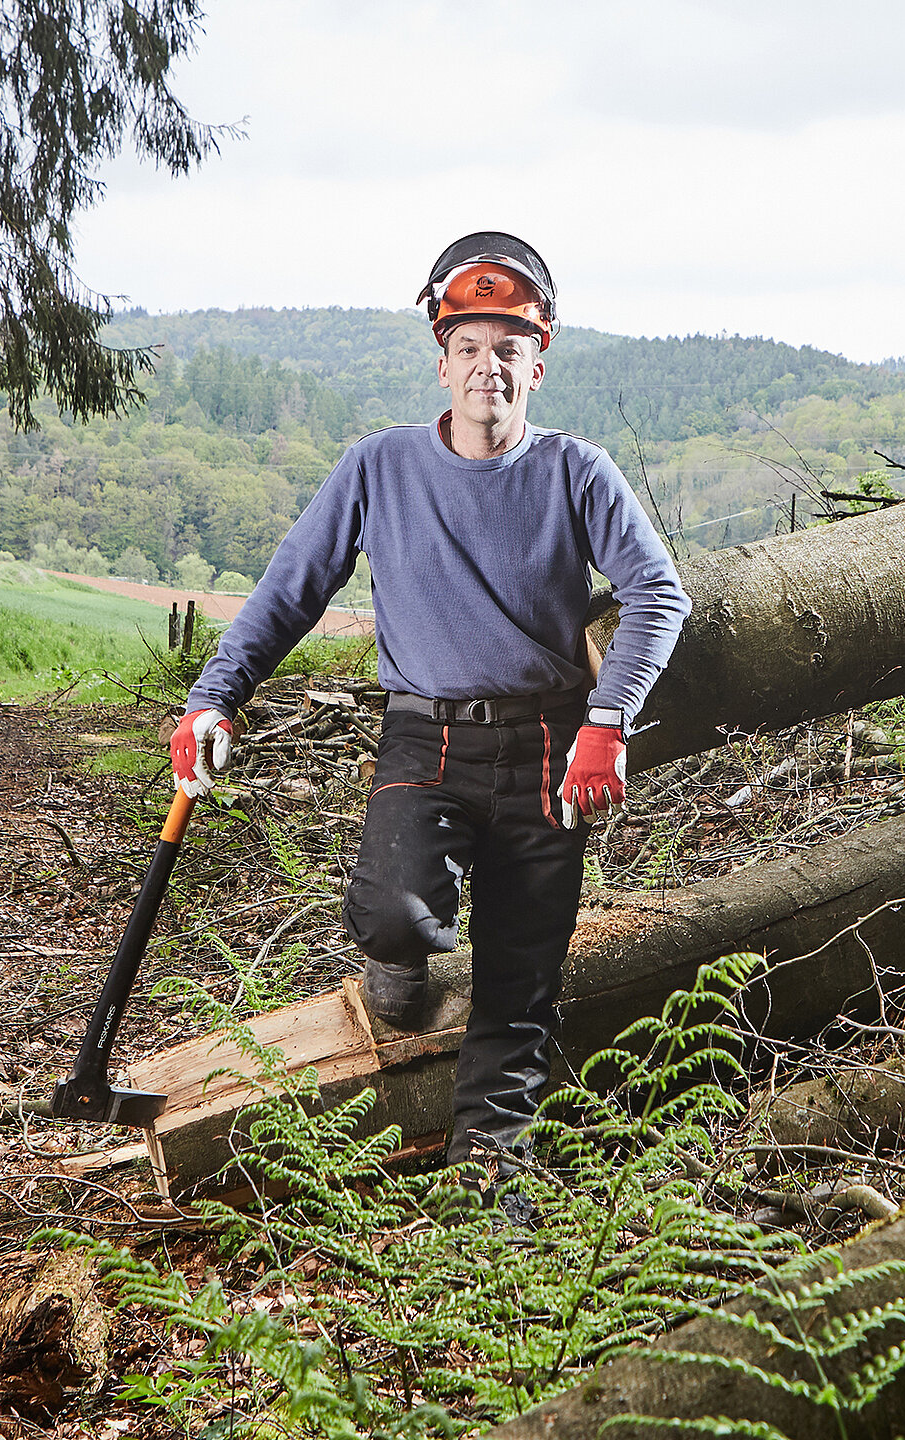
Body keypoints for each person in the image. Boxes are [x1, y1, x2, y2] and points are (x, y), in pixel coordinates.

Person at [170, 231, 691, 1168]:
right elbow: (292, 589)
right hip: (427, 737)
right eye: (468, 348)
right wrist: (215, 698)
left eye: (508, 350)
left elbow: (661, 593)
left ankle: (488, 1175)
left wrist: (608, 722)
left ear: (539, 362)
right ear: (440, 358)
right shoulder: (380, 467)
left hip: (548, 749)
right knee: (394, 905)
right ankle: (398, 967)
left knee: (518, 983)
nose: (487, 369)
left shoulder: (578, 472)